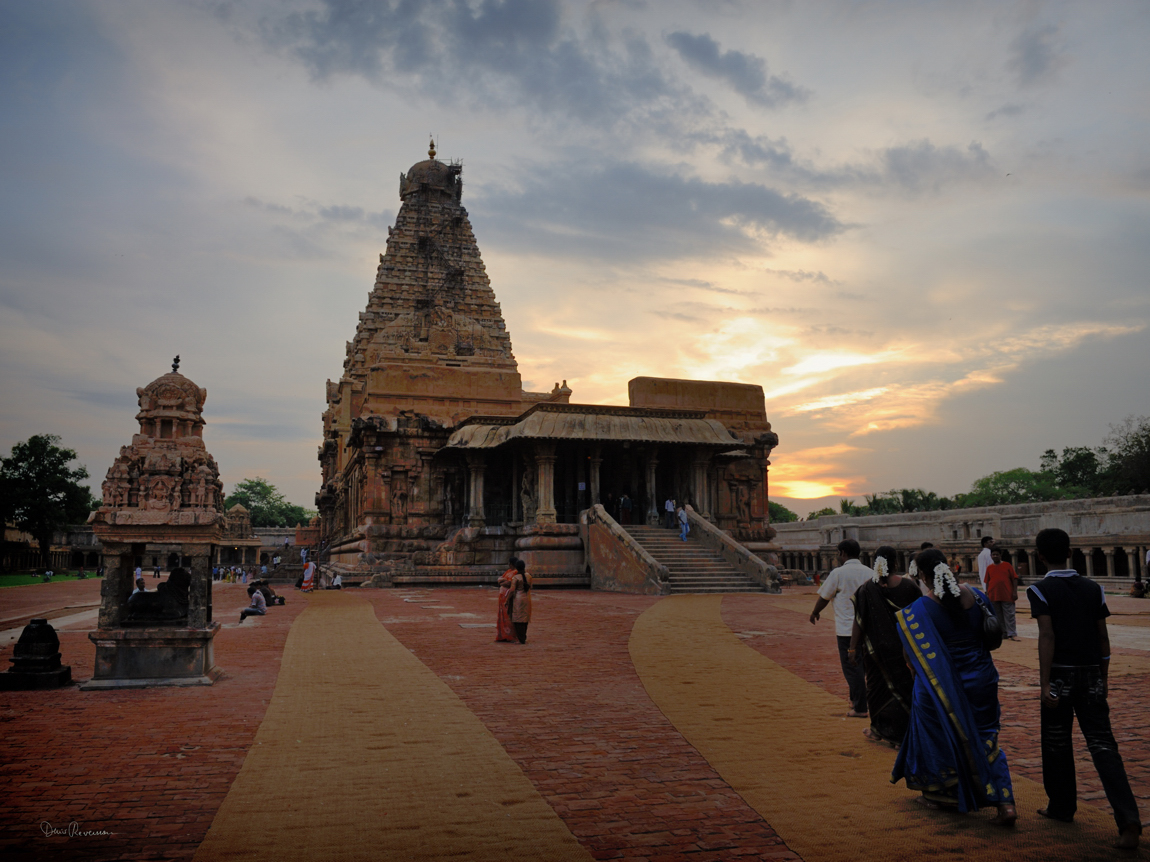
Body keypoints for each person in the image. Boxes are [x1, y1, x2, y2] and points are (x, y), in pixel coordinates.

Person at [1029, 528, 1141, 849]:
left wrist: (1045, 682)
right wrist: (1103, 675)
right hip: (1091, 674)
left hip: (1061, 676)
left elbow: (1047, 636)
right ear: (1070, 551)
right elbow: (1103, 637)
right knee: (1104, 745)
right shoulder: (1094, 589)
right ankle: (1128, 818)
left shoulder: (1040, 590)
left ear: (1040, 555)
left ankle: (1061, 806)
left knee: (1056, 743)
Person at [891, 548, 1016, 825]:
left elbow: (910, 658)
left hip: (939, 686)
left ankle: (944, 795)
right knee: (987, 737)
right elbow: (990, 634)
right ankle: (1005, 802)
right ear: (947, 567)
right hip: (982, 678)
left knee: (941, 738)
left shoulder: (918, 611)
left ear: (922, 575)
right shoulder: (977, 596)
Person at [848, 545, 921, 746]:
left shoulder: (867, 588)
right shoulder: (909, 587)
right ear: (896, 562)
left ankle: (878, 729)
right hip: (904, 650)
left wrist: (852, 648)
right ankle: (903, 734)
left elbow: (859, 621)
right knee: (905, 690)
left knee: (877, 690)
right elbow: (921, 617)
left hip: (876, 652)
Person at [809, 539, 873, 718]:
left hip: (847, 630)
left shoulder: (838, 573)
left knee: (853, 668)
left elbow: (825, 596)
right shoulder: (870, 572)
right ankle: (855, 700)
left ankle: (860, 707)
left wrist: (815, 612)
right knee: (864, 667)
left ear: (843, 553)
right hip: (867, 629)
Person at [984, 550, 1019, 640]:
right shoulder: (989, 568)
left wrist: (1015, 592)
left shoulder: (1007, 565)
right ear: (991, 556)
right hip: (994, 595)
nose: (995, 556)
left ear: (1000, 555)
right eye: (993, 555)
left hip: (1007, 594)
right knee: (998, 616)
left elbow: (1014, 579)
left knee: (1009, 615)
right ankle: (1004, 633)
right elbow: (987, 581)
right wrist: (987, 593)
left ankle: (1012, 633)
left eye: (997, 554)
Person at [508, 558, 532, 644]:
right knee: (525, 619)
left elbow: (512, 590)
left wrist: (507, 599)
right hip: (527, 598)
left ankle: (520, 639)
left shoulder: (516, 577)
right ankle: (523, 637)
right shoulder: (529, 576)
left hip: (518, 599)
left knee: (517, 619)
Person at [495, 557, 518, 643]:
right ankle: (502, 635)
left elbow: (509, 583)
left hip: (508, 596)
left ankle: (510, 635)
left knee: (508, 615)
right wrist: (503, 581)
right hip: (502, 597)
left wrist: (503, 581)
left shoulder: (515, 572)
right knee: (502, 615)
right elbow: (500, 580)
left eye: (510, 564)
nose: (509, 565)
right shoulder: (508, 571)